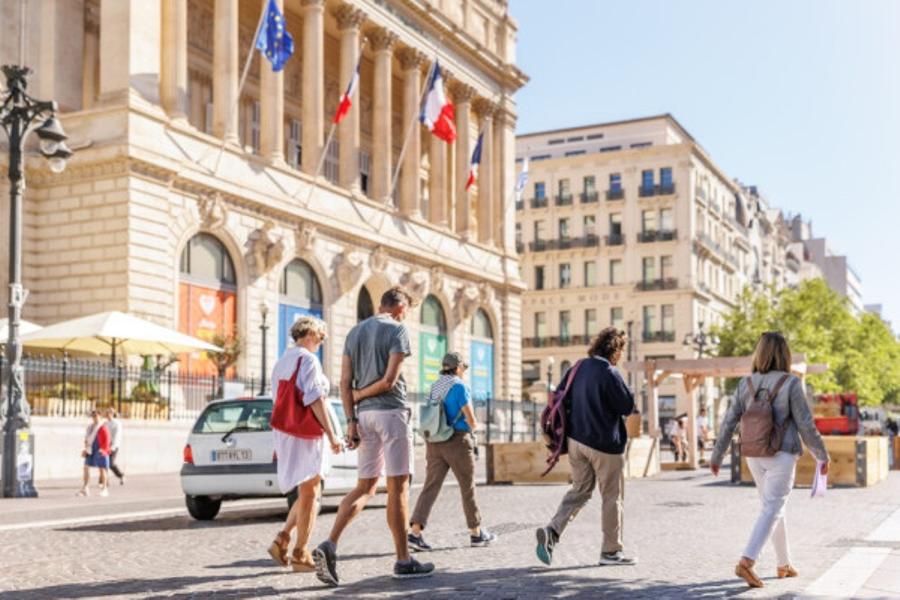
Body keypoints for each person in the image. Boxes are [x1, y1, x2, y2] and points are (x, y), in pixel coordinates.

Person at [313, 287, 434, 585]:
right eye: (406, 311)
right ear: (400, 308)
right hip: (391, 415)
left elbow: (343, 381)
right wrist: (362, 394)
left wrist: (351, 418)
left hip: (363, 418)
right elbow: (389, 381)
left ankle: (329, 543)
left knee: (365, 487)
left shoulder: (354, 332)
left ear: (380, 304)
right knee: (398, 487)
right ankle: (404, 560)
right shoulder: (398, 330)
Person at [710, 332, 830, 589]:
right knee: (772, 508)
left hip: (754, 455)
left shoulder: (745, 383)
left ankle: (784, 563)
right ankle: (747, 562)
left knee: (773, 508)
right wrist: (822, 455)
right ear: (784, 354)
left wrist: (717, 455)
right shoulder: (790, 383)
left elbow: (729, 422)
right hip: (782, 454)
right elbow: (806, 425)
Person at [535, 327, 637, 567]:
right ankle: (610, 552)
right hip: (604, 444)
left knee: (579, 490)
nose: (621, 356)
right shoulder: (610, 373)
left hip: (576, 443)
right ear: (616, 350)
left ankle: (553, 531)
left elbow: (561, 397)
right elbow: (626, 406)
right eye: (621, 350)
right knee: (612, 496)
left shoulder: (577, 367)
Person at [267, 316, 342, 572]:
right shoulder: (308, 359)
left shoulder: (282, 361)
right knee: (311, 490)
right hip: (305, 432)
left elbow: (277, 398)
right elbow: (315, 398)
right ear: (309, 333)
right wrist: (332, 434)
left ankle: (283, 538)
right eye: (321, 337)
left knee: (307, 489)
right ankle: (300, 553)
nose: (321, 342)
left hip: (286, 432)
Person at [407, 352, 495, 552]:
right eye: (464, 368)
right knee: (467, 487)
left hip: (435, 441)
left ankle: (415, 532)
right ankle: (476, 533)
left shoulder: (435, 385)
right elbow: (470, 419)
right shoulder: (460, 386)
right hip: (457, 441)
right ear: (457, 368)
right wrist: (476, 427)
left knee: (430, 487)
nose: (464, 372)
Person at [78, 410, 110, 497]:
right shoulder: (90, 427)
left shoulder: (103, 428)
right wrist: (85, 449)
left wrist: (103, 450)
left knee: (102, 469)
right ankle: (85, 488)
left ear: (100, 416)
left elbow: (107, 441)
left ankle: (104, 489)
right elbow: (87, 439)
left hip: (100, 449)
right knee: (86, 467)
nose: (94, 417)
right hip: (91, 449)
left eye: (96, 416)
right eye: (93, 416)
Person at [105, 408, 125, 485]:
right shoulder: (105, 423)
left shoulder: (117, 423)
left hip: (114, 446)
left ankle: (121, 475)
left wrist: (112, 447)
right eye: (106, 413)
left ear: (112, 414)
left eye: (109, 413)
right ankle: (105, 480)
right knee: (104, 463)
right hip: (106, 446)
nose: (107, 414)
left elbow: (117, 436)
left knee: (111, 463)